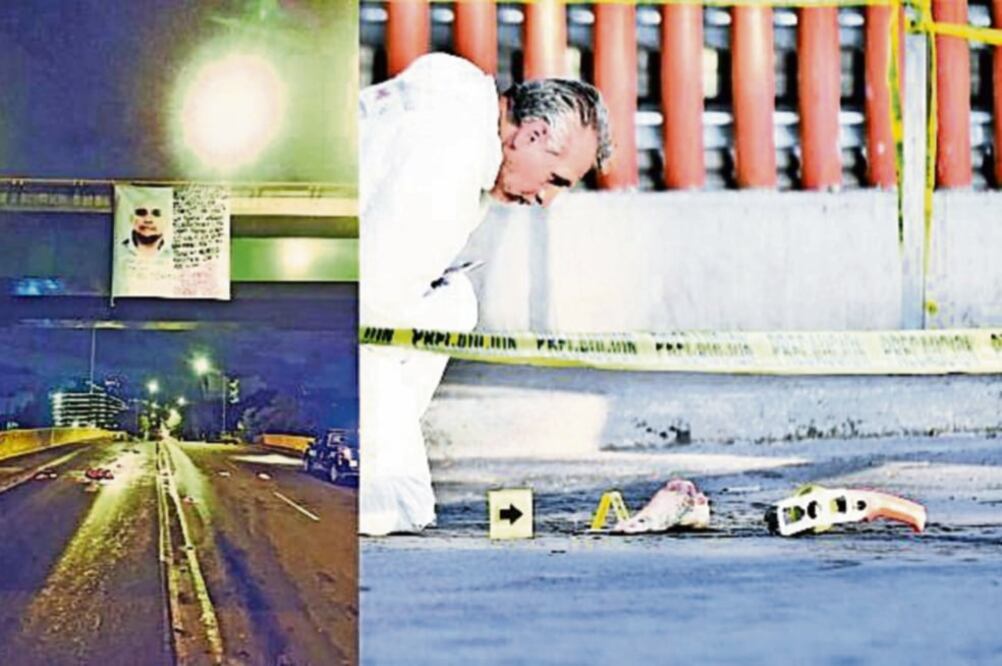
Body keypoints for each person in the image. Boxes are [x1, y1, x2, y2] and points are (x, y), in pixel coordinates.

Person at [359, 53, 612, 536]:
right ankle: (374, 493)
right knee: (435, 312)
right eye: (555, 179)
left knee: (452, 301)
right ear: (532, 134)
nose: (545, 200)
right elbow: (376, 312)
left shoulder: (451, 110)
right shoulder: (451, 156)